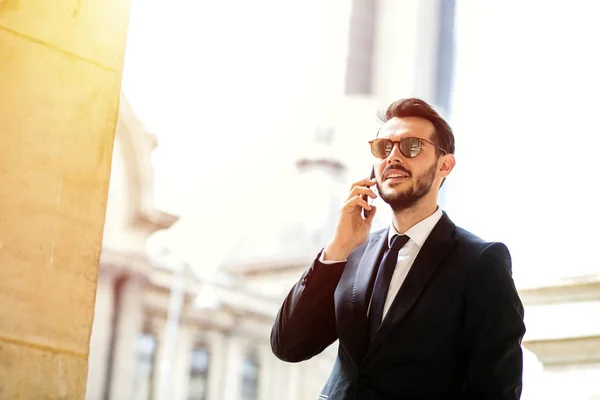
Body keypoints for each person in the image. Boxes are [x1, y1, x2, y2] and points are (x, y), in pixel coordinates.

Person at [270, 98, 526, 399]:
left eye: (412, 146)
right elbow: (289, 345)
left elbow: (496, 388)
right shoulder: (353, 252)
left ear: (444, 165)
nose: (393, 157)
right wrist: (338, 248)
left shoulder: (480, 262)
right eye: (383, 147)